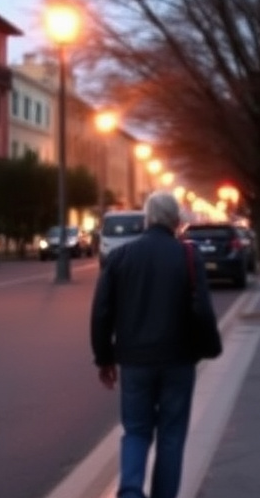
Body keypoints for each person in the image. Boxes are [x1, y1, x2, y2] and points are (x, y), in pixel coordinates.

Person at [90, 191, 220, 498]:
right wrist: (208, 346)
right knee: (171, 436)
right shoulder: (188, 256)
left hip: (135, 361)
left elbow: (101, 312)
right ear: (176, 222)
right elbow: (202, 307)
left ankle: (131, 491)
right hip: (178, 358)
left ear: (147, 219)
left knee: (135, 431)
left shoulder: (121, 257)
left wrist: (104, 358)